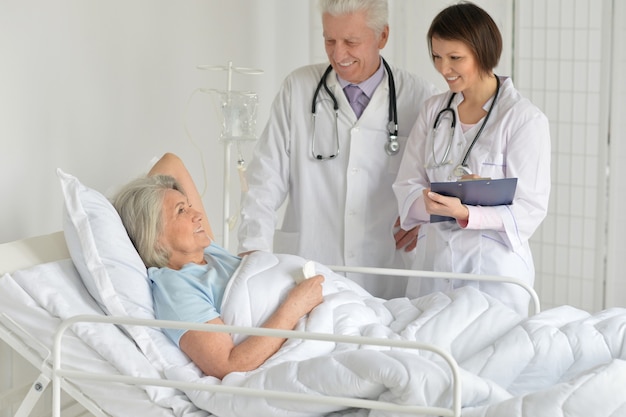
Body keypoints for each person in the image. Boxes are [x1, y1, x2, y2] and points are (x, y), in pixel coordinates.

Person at [237, 0, 439, 299]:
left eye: (351, 42)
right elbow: (264, 181)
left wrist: (428, 221)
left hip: (385, 274)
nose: (338, 54)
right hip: (308, 270)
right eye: (329, 40)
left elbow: (440, 181)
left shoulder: (421, 97)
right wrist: (253, 256)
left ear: (382, 36)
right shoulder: (298, 88)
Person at [392, 2, 551, 316]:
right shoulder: (434, 111)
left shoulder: (523, 119)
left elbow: (529, 209)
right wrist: (427, 202)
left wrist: (467, 212)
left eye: (455, 58)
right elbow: (407, 183)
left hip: (494, 277)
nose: (443, 69)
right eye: (437, 56)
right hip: (434, 271)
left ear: (483, 52)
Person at [113, 153, 325, 379]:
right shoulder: (176, 287)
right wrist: (295, 306)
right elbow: (227, 364)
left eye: (189, 206)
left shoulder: (210, 253)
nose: (198, 215)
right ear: (155, 236)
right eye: (181, 211)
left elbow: (171, 162)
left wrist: (151, 198)